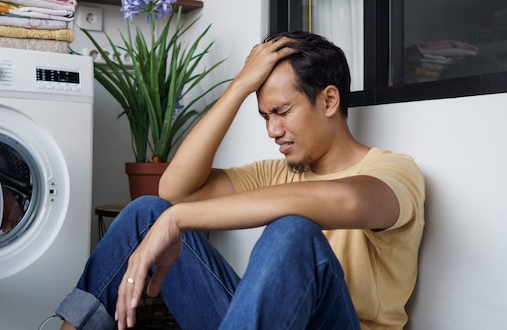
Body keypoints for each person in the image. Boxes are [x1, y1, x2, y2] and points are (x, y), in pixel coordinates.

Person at [56, 31, 425, 330]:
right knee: (149, 211)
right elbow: (174, 191)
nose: (272, 130)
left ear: (329, 101)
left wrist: (179, 219)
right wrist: (238, 88)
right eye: (265, 116)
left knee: (293, 230)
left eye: (281, 112)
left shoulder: (393, 172)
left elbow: (348, 202)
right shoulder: (278, 172)